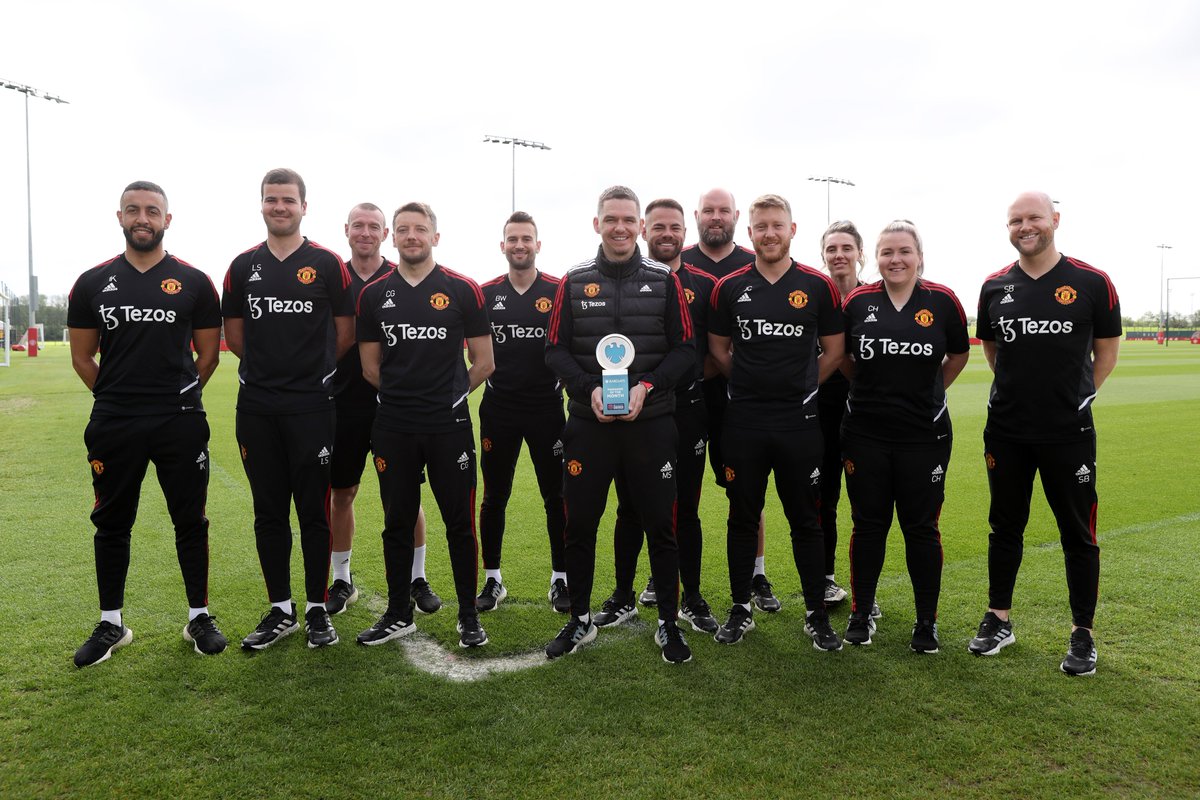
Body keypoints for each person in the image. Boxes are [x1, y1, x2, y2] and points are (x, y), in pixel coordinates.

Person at [68, 180, 225, 667]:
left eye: (152, 211)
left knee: (190, 520)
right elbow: (82, 355)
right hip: (115, 422)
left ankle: (198, 617)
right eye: (133, 210)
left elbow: (209, 356)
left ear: (167, 220)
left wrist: (172, 398)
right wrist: (118, 398)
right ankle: (112, 623)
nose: (143, 218)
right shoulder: (93, 282)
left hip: (179, 420)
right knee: (112, 522)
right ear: (120, 217)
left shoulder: (195, 282)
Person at [970, 191, 1121, 676]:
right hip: (1008, 432)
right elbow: (993, 354)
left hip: (1068, 433)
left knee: (1078, 532)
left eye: (1033, 217)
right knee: (1004, 525)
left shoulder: (1092, 282)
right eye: (1015, 220)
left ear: (1055, 219)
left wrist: (1072, 399)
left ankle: (1083, 633)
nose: (1024, 226)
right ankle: (999, 619)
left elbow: (1106, 354)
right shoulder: (995, 287)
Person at [543, 186, 695, 664]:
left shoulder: (665, 281)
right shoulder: (573, 281)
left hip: (650, 425)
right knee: (580, 524)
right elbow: (554, 350)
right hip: (589, 425)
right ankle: (580, 619)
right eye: (612, 219)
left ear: (641, 227)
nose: (621, 228)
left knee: (660, 525)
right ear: (597, 224)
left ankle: (668, 623)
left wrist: (645, 387)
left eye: (629, 220)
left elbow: (685, 350)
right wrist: (587, 386)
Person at [222, 168, 354, 650]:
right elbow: (234, 336)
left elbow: (345, 332)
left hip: (311, 407)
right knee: (269, 511)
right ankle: (281, 610)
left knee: (314, 511)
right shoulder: (241, 267)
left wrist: (310, 371)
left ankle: (318, 609)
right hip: (256, 406)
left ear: (304, 206)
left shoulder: (326, 263)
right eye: (271, 199)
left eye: (288, 200)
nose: (279, 207)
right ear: (261, 204)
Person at [708, 193, 845, 650]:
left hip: (799, 424)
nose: (769, 233)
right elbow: (719, 350)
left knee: (806, 518)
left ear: (792, 230)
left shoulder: (817, 286)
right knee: (742, 517)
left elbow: (835, 351)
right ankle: (739, 608)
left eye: (777, 225)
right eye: (760, 226)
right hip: (743, 422)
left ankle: (815, 612)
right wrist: (749, 384)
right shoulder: (729, 287)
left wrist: (801, 385)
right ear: (750, 233)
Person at [355, 202, 494, 649]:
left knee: (459, 523)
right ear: (392, 239)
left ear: (435, 237)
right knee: (396, 521)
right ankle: (399, 613)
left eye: (420, 229)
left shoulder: (462, 289)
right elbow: (371, 368)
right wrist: (405, 400)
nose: (411, 236)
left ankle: (469, 615)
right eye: (402, 230)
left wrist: (449, 396)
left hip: (448, 427)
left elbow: (484, 362)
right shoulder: (374, 295)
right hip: (393, 427)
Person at [840, 220, 970, 652]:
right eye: (886, 252)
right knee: (868, 526)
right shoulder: (858, 302)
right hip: (865, 435)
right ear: (874, 258)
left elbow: (958, 354)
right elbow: (844, 359)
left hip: (924, 437)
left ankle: (926, 623)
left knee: (922, 530)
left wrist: (930, 393)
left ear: (919, 256)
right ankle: (861, 614)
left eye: (904, 252)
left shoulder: (943, 300)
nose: (895, 260)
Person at [601, 198, 720, 634]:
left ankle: (690, 596)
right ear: (644, 231)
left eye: (674, 227)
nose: (666, 234)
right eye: (658, 227)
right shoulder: (622, 282)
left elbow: (709, 349)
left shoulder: (706, 285)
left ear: (684, 233)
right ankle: (622, 595)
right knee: (629, 506)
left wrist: (675, 381)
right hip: (630, 414)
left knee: (684, 508)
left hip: (687, 410)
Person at [326, 203, 441, 617]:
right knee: (343, 491)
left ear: (385, 235)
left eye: (374, 226)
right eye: (358, 225)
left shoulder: (401, 278)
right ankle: (342, 579)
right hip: (343, 402)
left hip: (396, 404)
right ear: (347, 230)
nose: (366, 233)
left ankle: (416, 578)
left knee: (406, 496)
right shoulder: (332, 277)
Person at [683, 187, 779, 613]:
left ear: (736, 216)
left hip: (741, 403)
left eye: (724, 210)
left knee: (747, 494)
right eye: (709, 210)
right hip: (682, 398)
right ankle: (665, 571)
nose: (716, 217)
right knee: (677, 489)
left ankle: (757, 574)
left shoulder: (753, 263)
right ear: (697, 216)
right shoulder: (676, 263)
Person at [477, 212, 568, 613]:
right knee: (495, 496)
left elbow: (571, 345)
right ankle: (492, 580)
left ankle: (560, 579)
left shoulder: (558, 290)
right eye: (512, 239)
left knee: (557, 496)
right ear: (503, 246)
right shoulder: (484, 294)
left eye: (526, 239)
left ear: (538, 244)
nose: (519, 245)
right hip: (499, 408)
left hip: (547, 409)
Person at [816, 221, 879, 617]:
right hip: (818, 413)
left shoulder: (873, 299)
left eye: (846, 247)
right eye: (831, 248)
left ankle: (864, 594)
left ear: (860, 252)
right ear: (822, 254)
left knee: (866, 506)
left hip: (865, 414)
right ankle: (823, 579)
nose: (839, 254)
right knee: (822, 501)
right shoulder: (812, 296)